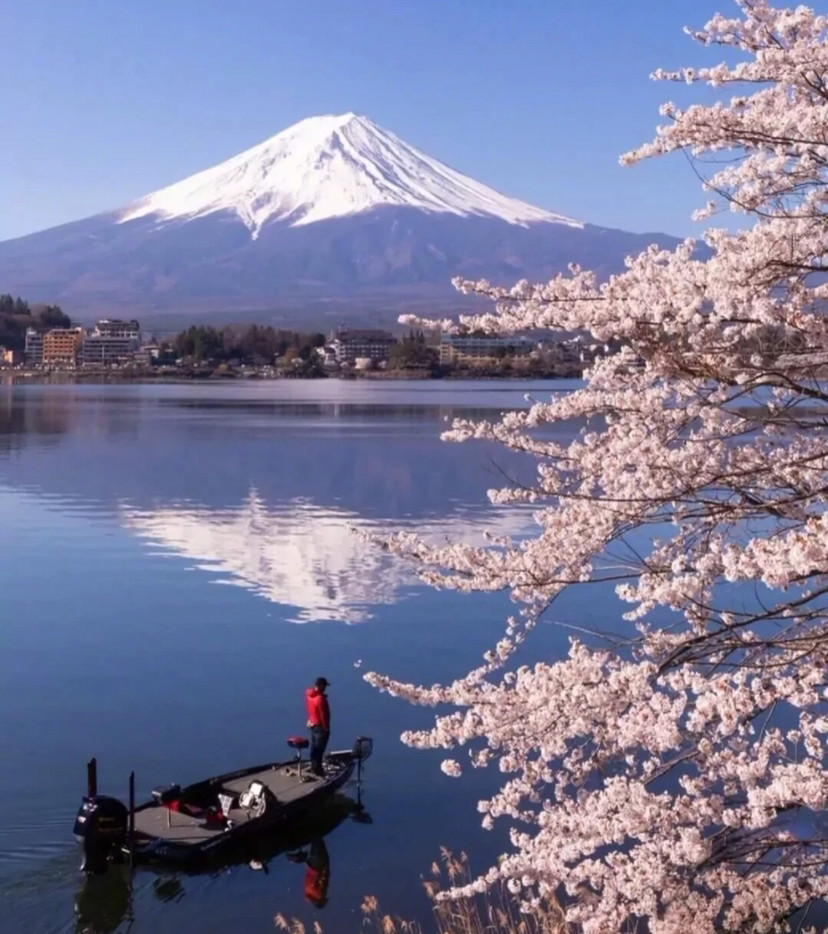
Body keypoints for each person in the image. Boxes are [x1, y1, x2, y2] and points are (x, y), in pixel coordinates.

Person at [305, 677, 331, 777]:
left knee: (314, 747)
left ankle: (313, 766)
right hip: (320, 727)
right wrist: (326, 728)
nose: (325, 688)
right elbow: (323, 715)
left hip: (313, 724)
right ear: (320, 686)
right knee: (319, 750)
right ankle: (318, 771)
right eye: (324, 686)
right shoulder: (320, 699)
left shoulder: (310, 696)